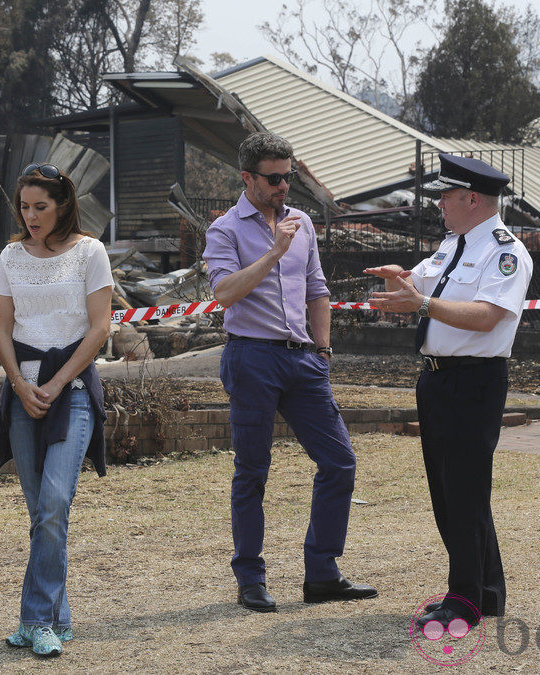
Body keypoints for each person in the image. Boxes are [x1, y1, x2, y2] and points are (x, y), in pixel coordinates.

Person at [202, 131, 377, 613]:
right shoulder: (225, 230)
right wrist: (273, 252)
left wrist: (322, 352)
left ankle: (322, 573)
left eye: (289, 176)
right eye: (274, 179)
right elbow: (224, 294)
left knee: (340, 462)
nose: (284, 187)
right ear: (248, 178)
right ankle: (250, 578)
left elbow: (317, 289)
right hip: (251, 357)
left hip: (303, 360)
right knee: (253, 470)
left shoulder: (302, 222)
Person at [366, 153, 533, 631]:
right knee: (451, 490)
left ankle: (464, 601)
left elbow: (487, 316)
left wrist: (420, 302)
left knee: (463, 491)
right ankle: (487, 591)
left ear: (472, 198)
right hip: (438, 378)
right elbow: (422, 283)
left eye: (446, 195)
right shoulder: (454, 243)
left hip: (473, 381)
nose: (439, 203)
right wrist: (401, 280)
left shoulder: (505, 252)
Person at [0, 163, 113, 656]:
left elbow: (100, 327)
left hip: (74, 389)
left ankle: (35, 621)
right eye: (24, 207)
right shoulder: (10, 256)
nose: (31, 215)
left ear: (63, 204)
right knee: (40, 511)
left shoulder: (90, 251)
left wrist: (59, 383)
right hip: (23, 391)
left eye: (41, 206)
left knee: (54, 504)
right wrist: (20, 384)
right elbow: (1, 327)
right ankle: (56, 617)